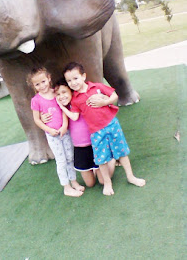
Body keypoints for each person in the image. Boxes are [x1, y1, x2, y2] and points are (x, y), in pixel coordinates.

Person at [60, 62, 146, 196]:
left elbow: (114, 95)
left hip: (112, 125)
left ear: (83, 76)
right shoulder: (75, 99)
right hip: (95, 132)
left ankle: (131, 176)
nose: (73, 82)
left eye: (75, 78)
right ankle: (107, 183)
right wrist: (62, 107)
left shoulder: (97, 87)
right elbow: (75, 116)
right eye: (69, 80)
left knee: (122, 152)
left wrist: (104, 102)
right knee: (101, 159)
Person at [27, 67, 84, 198]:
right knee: (61, 160)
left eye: (43, 81)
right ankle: (66, 187)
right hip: (53, 135)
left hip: (65, 132)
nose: (41, 86)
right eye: (37, 84)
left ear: (49, 78)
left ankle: (74, 181)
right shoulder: (36, 100)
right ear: (33, 86)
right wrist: (49, 130)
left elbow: (63, 109)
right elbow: (36, 119)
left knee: (70, 157)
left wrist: (64, 125)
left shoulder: (56, 93)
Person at [52, 78, 116, 187]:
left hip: (94, 143)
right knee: (90, 184)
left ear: (71, 91)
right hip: (79, 148)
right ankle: (96, 169)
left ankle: (112, 159)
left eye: (64, 92)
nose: (61, 96)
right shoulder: (62, 108)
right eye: (58, 94)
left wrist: (104, 98)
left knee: (102, 181)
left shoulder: (80, 101)